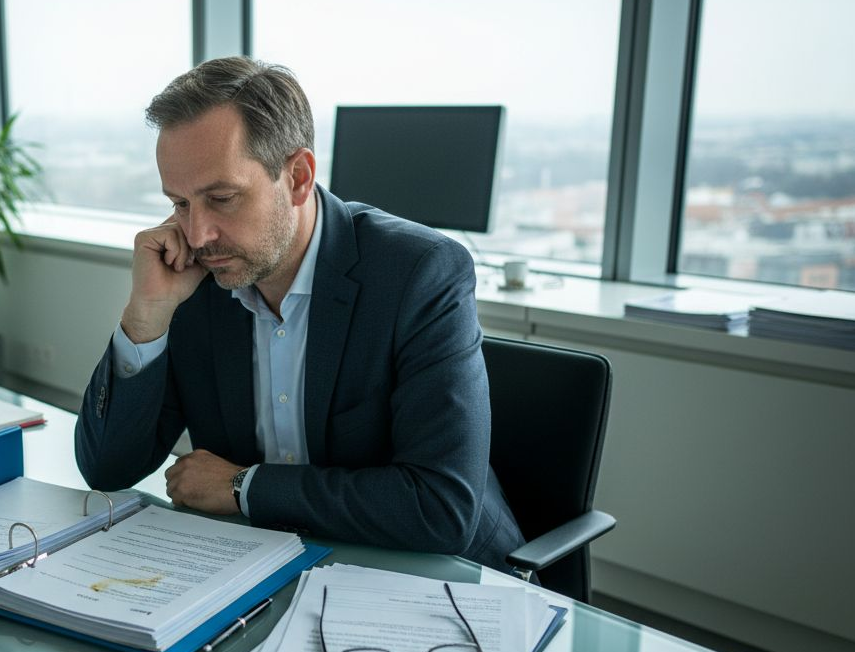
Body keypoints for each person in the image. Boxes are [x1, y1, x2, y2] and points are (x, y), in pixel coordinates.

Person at [74, 56, 525, 572]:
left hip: (438, 577)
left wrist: (245, 487)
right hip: (269, 568)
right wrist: (146, 315)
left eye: (221, 198)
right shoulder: (197, 278)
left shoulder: (419, 273)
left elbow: (441, 507)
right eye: (179, 203)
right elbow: (107, 469)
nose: (197, 235)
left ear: (298, 177)